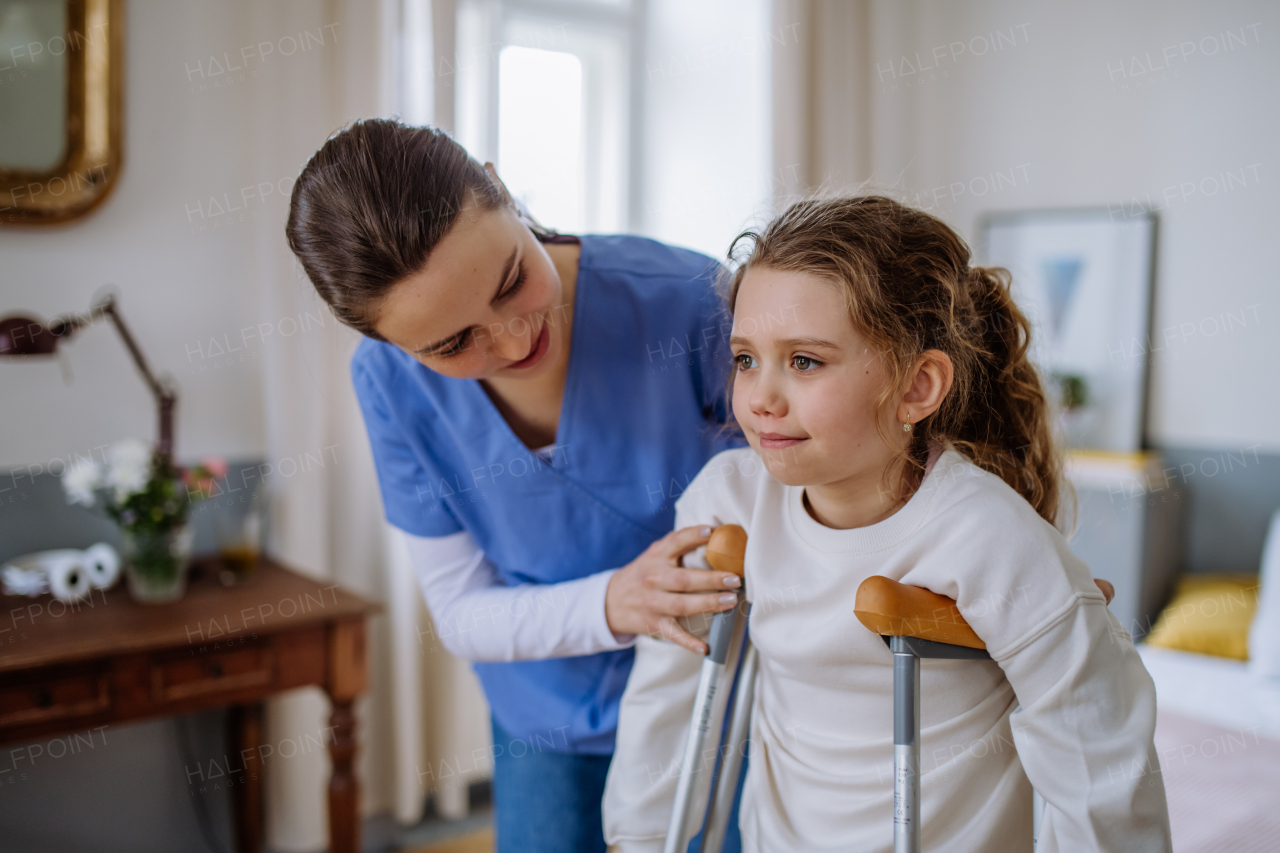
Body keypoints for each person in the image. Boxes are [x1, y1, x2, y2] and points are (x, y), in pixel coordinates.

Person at [603, 196, 1172, 852]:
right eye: (746, 358)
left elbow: (1096, 747)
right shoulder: (729, 502)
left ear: (916, 388)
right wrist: (638, 839)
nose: (760, 397)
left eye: (805, 361)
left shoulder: (985, 534)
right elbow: (669, 693)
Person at [285, 119, 748, 853]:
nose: (511, 340)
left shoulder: (690, 305)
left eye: (509, 283)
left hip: (717, 689)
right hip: (545, 709)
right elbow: (463, 611)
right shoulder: (390, 385)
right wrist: (614, 602)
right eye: (450, 343)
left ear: (500, 188)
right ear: (392, 345)